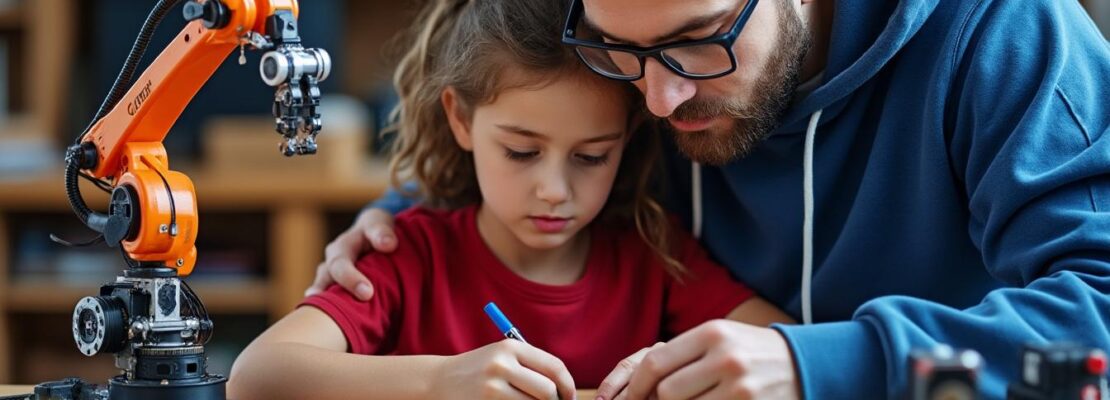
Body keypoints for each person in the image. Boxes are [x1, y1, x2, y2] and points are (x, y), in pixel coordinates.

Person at [310, 0, 1110, 398]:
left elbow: (1097, 332)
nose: (659, 100)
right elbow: (516, 106)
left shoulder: (1005, 37)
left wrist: (820, 366)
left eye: (699, 40)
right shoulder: (623, 39)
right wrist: (409, 211)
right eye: (619, 51)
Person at [228, 0, 794, 398]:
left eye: (591, 157)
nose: (554, 190)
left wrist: (676, 367)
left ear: (628, 140)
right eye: (521, 152)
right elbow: (256, 376)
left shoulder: (656, 255)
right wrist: (438, 383)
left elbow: (778, 347)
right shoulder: (410, 256)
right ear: (460, 119)